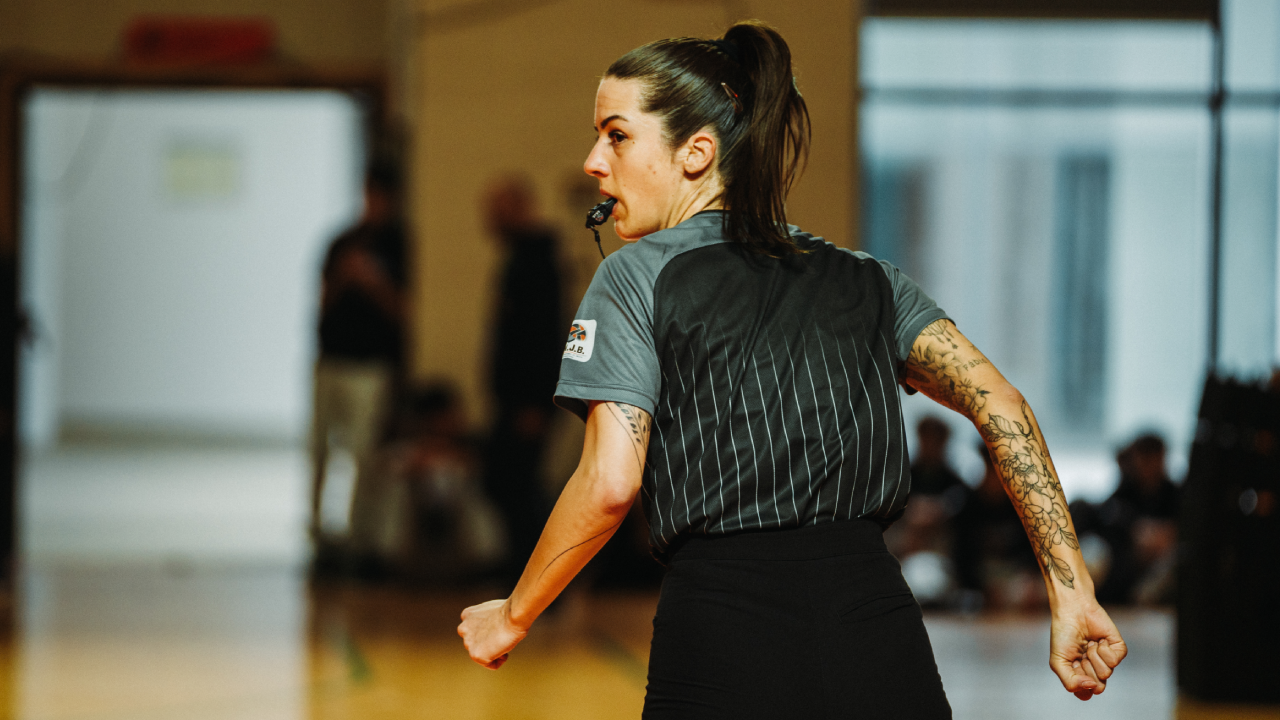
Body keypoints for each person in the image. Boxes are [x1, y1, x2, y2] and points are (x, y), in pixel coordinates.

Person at [459, 21, 1125, 717]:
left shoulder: (636, 279)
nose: (595, 161)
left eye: (616, 135)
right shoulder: (869, 281)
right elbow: (1005, 406)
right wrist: (1072, 589)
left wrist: (514, 613)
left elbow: (609, 483)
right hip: (878, 629)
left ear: (697, 153)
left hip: (723, 635)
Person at [309, 162, 408, 566]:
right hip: (331, 359)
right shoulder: (341, 242)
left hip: (370, 366)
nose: (373, 203)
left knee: (362, 454)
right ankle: (318, 533)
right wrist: (344, 280)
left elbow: (405, 311)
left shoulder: (399, 246)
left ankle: (359, 540)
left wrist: (372, 281)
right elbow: (322, 301)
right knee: (320, 449)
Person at [480, 174, 565, 588]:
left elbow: (544, 337)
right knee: (505, 484)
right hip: (514, 399)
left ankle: (540, 580)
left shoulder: (538, 263)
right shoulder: (518, 258)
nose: (488, 218)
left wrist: (536, 402)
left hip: (529, 402)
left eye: (497, 208)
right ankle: (527, 575)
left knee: (522, 489)